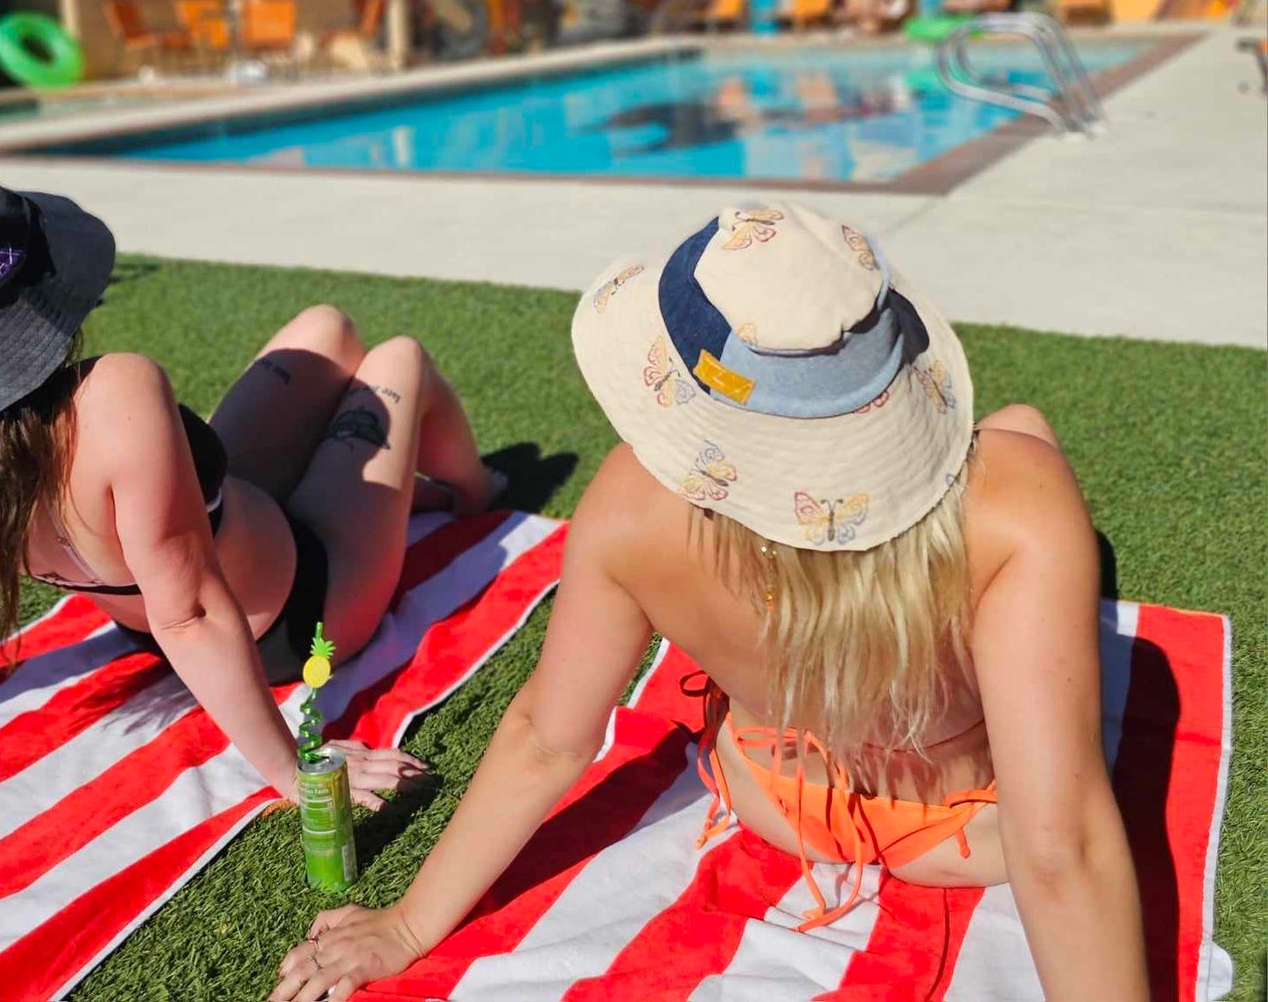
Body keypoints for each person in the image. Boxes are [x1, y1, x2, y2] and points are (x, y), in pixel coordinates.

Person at [274, 205, 1149, 1002]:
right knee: (1022, 428)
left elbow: (549, 735)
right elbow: (1058, 842)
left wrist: (409, 923)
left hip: (780, 803)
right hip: (971, 838)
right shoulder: (1015, 505)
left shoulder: (626, 507)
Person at [0, 172, 498, 810]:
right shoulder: (112, 398)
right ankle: (472, 489)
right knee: (397, 358)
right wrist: (293, 769)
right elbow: (193, 616)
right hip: (298, 611)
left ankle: (408, 488)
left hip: (191, 564)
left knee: (327, 329)